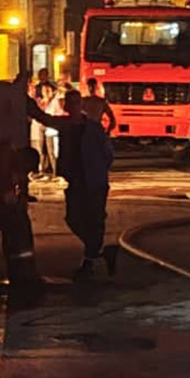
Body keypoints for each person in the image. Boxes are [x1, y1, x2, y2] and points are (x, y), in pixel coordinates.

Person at [27, 89, 116, 280]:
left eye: (77, 102)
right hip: (76, 181)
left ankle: (90, 261)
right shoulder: (65, 125)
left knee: (94, 220)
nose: (74, 106)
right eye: (71, 103)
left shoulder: (93, 128)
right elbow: (43, 118)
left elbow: (108, 153)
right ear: (66, 106)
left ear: (81, 105)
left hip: (94, 181)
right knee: (74, 218)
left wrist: (98, 171)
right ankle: (98, 253)